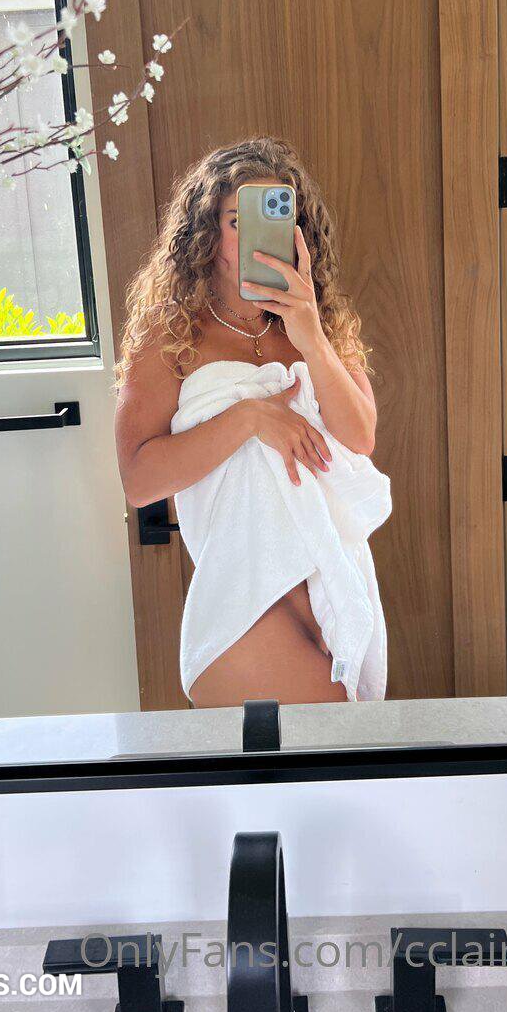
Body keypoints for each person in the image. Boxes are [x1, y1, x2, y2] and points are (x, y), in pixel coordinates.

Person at [114, 135, 391, 707]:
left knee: (347, 758)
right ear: (207, 233)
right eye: (237, 221)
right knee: (338, 750)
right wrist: (249, 418)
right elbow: (139, 481)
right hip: (245, 606)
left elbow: (360, 437)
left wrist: (311, 337)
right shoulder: (171, 336)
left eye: (273, 218)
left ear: (298, 232)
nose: (253, 237)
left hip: (332, 585)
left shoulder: (320, 325)